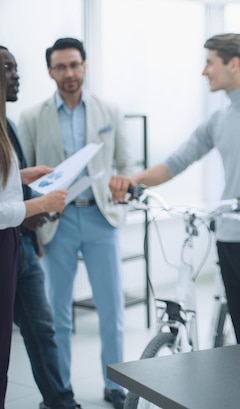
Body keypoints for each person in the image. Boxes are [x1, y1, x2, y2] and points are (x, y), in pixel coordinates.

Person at [109, 33, 240, 344]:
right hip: (227, 241)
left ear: (233, 64)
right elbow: (176, 162)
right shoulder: (219, 119)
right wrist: (134, 180)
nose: (204, 70)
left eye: (209, 62)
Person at [18, 38, 134, 409]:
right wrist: (33, 221)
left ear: (84, 66)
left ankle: (115, 385)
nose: (69, 73)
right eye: (60, 67)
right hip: (57, 222)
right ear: (50, 71)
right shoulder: (31, 117)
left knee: (111, 309)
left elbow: (127, 165)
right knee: (57, 312)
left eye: (74, 65)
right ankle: (60, 389)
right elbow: (25, 179)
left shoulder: (110, 111)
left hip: (101, 217)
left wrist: (123, 187)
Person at [2, 45, 82, 409]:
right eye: (7, 68)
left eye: (17, 68)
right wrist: (38, 204)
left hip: (20, 243)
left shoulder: (9, 124)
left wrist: (23, 179)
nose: (16, 75)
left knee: (42, 329)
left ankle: (61, 403)